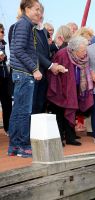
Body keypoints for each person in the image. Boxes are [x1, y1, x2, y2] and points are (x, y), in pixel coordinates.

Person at [8, 0, 42, 158]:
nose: (39, 13)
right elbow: (19, 50)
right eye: (36, 9)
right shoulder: (24, 24)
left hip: (20, 73)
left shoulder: (23, 24)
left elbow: (17, 49)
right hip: (24, 74)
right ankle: (23, 146)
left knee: (17, 111)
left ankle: (14, 146)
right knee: (23, 112)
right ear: (27, 9)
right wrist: (34, 69)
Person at [47, 36, 92, 146]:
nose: (85, 53)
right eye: (82, 51)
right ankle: (59, 139)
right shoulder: (62, 54)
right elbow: (54, 72)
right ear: (74, 50)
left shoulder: (82, 58)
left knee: (71, 112)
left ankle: (70, 137)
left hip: (74, 88)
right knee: (60, 115)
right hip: (60, 90)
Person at [32, 3, 63, 114]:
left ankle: (36, 130)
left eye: (40, 11)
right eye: (37, 11)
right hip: (34, 72)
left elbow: (44, 49)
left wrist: (56, 45)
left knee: (40, 104)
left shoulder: (43, 30)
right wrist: (50, 65)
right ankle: (29, 131)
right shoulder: (31, 29)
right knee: (32, 105)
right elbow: (34, 52)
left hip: (44, 73)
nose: (39, 14)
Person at [0, 24, 12, 136]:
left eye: (3, 31)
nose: (2, 33)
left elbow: (5, 60)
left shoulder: (3, 44)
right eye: (0, 32)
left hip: (4, 78)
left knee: (7, 103)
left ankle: (8, 128)